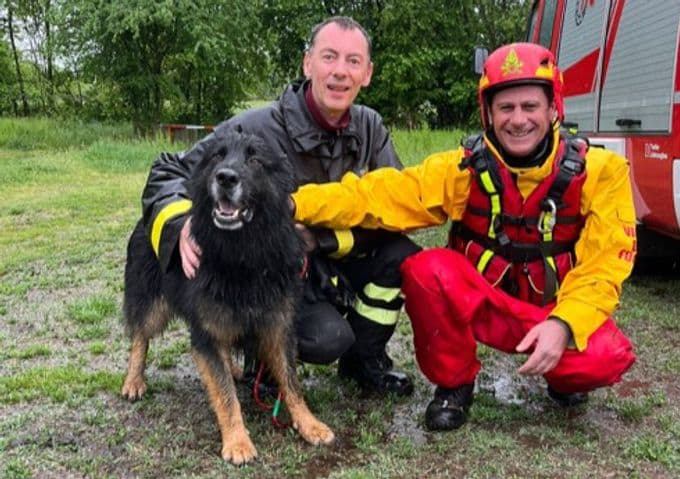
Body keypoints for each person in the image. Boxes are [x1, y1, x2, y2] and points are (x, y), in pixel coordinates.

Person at [289, 43, 637, 431]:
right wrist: (293, 205)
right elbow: (377, 195)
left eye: (530, 107)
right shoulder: (464, 168)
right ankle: (455, 384)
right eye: (506, 108)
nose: (518, 120)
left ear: (554, 108)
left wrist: (565, 324)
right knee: (425, 268)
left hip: (551, 314)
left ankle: (563, 378)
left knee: (607, 355)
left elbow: (606, 265)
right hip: (484, 306)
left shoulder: (602, 172)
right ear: (488, 113)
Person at [140, 16, 418, 397]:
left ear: (367, 73)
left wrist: (321, 240)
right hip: (275, 272)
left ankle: (364, 362)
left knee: (401, 254)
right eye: (329, 57)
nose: (340, 71)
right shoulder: (256, 126)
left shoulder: (370, 127)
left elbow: (396, 202)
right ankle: (263, 362)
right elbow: (168, 168)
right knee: (326, 339)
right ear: (308, 63)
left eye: (353, 61)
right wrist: (178, 223)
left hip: (329, 258)